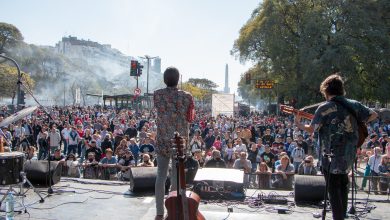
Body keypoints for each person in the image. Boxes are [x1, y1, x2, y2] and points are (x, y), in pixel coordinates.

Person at [294, 74, 377, 220]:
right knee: (343, 185)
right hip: (349, 153)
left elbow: (312, 129)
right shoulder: (354, 104)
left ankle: (338, 218)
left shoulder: (324, 107)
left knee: (333, 189)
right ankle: (342, 216)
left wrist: (299, 124)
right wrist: (359, 124)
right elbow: (373, 114)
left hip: (329, 155)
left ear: (326, 90)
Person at [153, 67, 195, 220]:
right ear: (178, 79)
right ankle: (173, 210)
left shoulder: (157, 95)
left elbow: (159, 109)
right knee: (177, 178)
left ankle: (159, 212)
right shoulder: (187, 97)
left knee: (161, 176)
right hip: (179, 142)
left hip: (163, 140)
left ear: (165, 79)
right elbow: (190, 118)